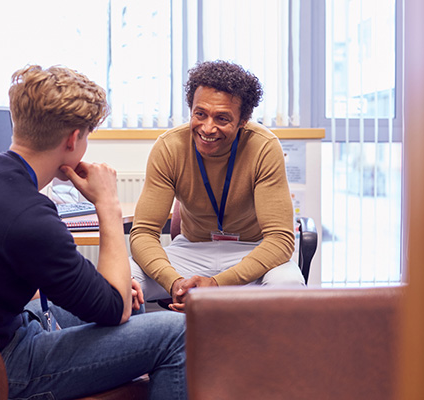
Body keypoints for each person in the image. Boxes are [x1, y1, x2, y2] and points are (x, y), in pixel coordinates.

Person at [0, 65, 187, 400]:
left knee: (133, 301)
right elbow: (113, 309)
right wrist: (108, 205)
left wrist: (109, 292)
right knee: (179, 332)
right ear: (73, 138)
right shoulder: (29, 216)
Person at [130, 60, 304, 312]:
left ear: (243, 120)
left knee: (288, 285)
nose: (207, 128)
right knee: (121, 279)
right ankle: (149, 347)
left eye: (222, 118)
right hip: (191, 251)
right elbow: (143, 233)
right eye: (200, 114)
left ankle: (262, 352)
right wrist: (175, 283)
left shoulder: (264, 147)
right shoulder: (169, 147)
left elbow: (280, 240)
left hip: (251, 251)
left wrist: (217, 284)